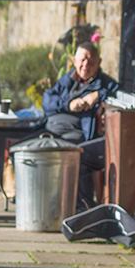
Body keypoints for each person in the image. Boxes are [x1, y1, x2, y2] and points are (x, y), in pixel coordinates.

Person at [42, 40, 120, 208]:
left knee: (74, 156)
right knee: (23, 148)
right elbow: (47, 101)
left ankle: (81, 206)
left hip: (78, 135)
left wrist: (99, 94)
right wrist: (69, 104)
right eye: (82, 59)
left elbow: (121, 94)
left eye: (91, 60)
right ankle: (41, 201)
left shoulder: (105, 83)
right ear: (74, 61)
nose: (86, 64)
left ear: (99, 63)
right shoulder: (68, 79)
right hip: (50, 130)